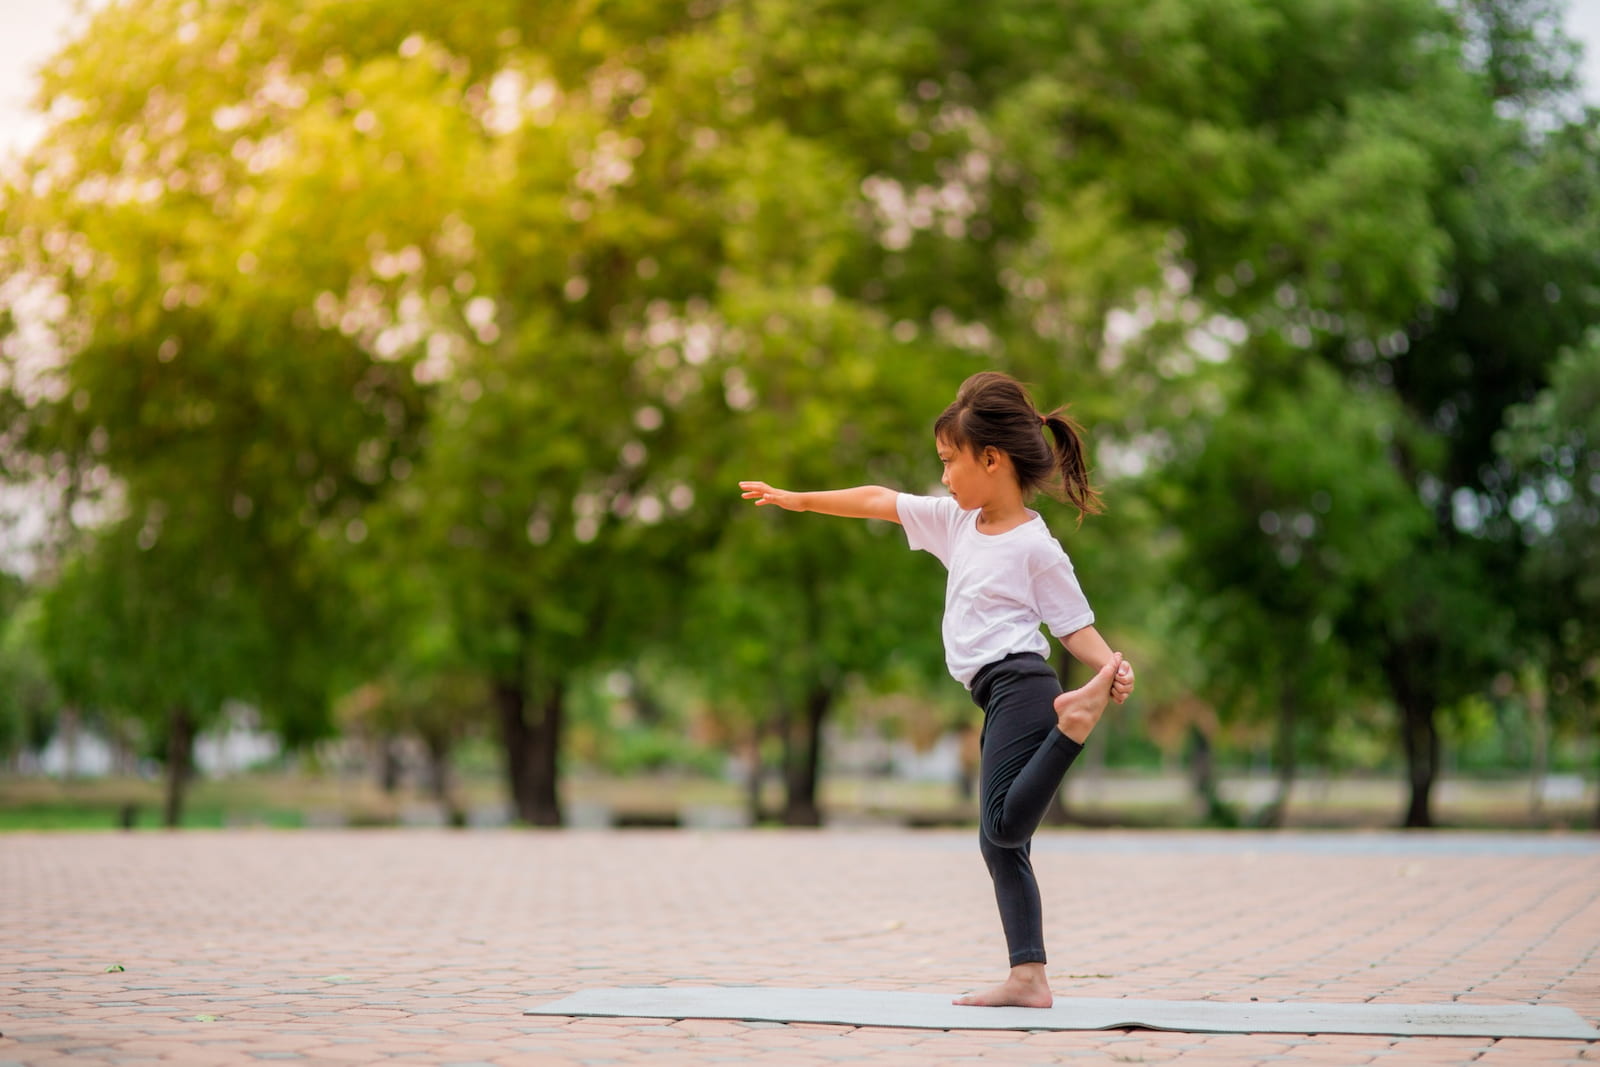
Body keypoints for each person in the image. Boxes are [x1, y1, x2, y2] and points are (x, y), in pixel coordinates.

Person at [739, 370, 1136, 1009]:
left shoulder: (1037, 547)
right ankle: (1029, 978)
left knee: (1003, 828)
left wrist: (1111, 669)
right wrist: (799, 499)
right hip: (998, 693)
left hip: (1024, 687)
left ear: (992, 458)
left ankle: (1074, 730)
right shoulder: (956, 524)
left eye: (950, 462)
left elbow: (1075, 628)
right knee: (1000, 838)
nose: (945, 477)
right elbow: (878, 500)